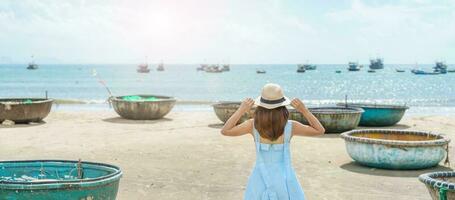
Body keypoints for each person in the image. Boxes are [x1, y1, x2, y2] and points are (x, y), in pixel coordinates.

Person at [221, 83, 325, 200]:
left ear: (260, 106)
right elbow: (320, 130)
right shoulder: (290, 127)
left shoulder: (252, 125)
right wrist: (304, 110)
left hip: (260, 177)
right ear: (282, 106)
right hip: (285, 178)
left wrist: (241, 110)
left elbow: (225, 131)